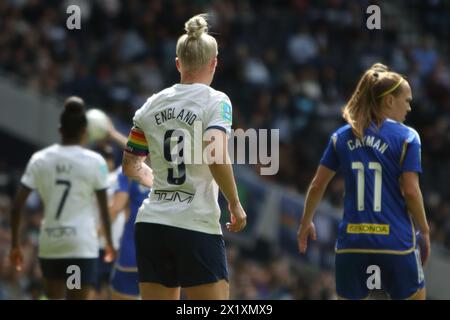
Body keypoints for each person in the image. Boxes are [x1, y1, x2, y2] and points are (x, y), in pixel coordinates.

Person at [121, 14, 247, 300]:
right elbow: (215, 154)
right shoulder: (216, 101)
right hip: (195, 224)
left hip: (152, 223)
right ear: (214, 63)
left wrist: (158, 182)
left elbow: (130, 165)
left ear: (178, 63)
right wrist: (235, 203)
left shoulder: (151, 104)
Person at [297, 63, 430, 300]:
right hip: (396, 243)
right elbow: (411, 191)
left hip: (352, 243)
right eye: (406, 100)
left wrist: (306, 222)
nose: (409, 107)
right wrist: (425, 229)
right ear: (389, 101)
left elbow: (317, 185)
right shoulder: (408, 137)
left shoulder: (341, 136)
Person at [9, 96, 116, 300]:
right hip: (78, 246)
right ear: (85, 132)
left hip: (51, 243)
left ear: (60, 130)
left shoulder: (40, 159)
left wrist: (15, 244)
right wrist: (109, 243)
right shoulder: (96, 162)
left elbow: (16, 208)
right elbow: (104, 210)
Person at [109, 168, 150, 300]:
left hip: (132, 249)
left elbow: (116, 207)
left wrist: (98, 232)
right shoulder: (172, 169)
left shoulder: (129, 172)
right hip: (165, 251)